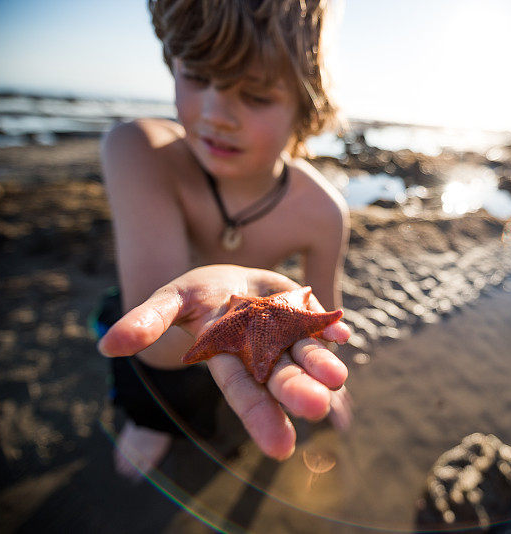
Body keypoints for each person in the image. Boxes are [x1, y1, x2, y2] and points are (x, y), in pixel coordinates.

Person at [97, 0, 350, 481]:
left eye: (254, 95)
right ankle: (150, 421)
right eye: (196, 75)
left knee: (233, 386)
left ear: (306, 103)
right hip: (154, 322)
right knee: (143, 370)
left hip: (237, 334)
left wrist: (328, 376)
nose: (216, 114)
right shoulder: (139, 151)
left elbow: (324, 315)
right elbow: (153, 342)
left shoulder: (322, 211)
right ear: (172, 62)